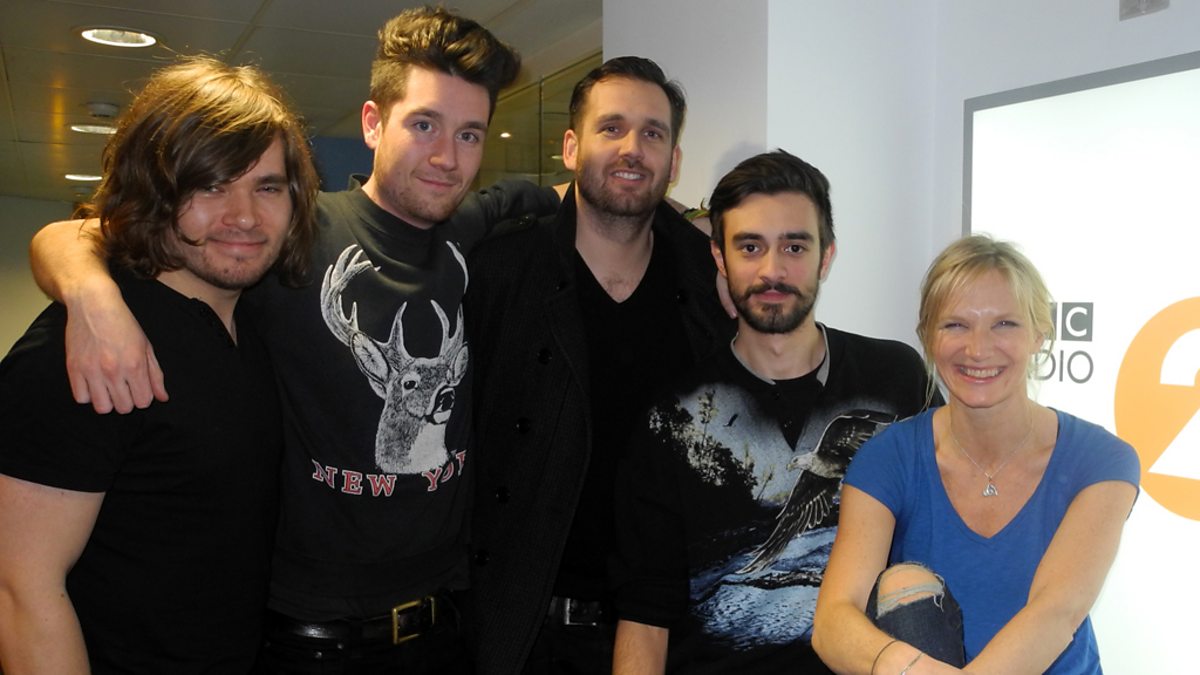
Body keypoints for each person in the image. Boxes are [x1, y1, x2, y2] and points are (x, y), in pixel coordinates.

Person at [27, 7, 560, 671]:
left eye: (470, 134)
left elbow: (555, 197)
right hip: (311, 640)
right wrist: (89, 293)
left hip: (442, 627)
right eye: (424, 124)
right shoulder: (290, 232)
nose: (447, 157)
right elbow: (88, 232)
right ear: (373, 123)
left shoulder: (469, 228)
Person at [0, 56, 318, 673]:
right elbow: (21, 589)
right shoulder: (88, 346)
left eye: (267, 187)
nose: (245, 217)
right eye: (210, 186)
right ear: (153, 193)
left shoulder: (252, 326)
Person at [609, 150, 934, 673]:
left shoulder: (897, 379)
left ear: (826, 257)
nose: (772, 270)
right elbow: (645, 617)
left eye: (794, 247)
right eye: (750, 247)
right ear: (720, 259)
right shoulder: (673, 414)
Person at [464, 56, 733, 674]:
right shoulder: (501, 272)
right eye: (611, 128)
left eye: (652, 133)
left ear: (674, 162)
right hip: (528, 636)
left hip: (675, 632)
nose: (632, 148)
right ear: (570, 147)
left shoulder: (708, 283)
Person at [812, 235, 1139, 674]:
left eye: (1004, 324)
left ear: (1040, 334)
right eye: (955, 325)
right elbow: (834, 621)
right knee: (905, 583)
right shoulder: (888, 457)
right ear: (928, 337)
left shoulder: (1101, 461)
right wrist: (902, 665)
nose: (978, 349)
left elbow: (1056, 612)